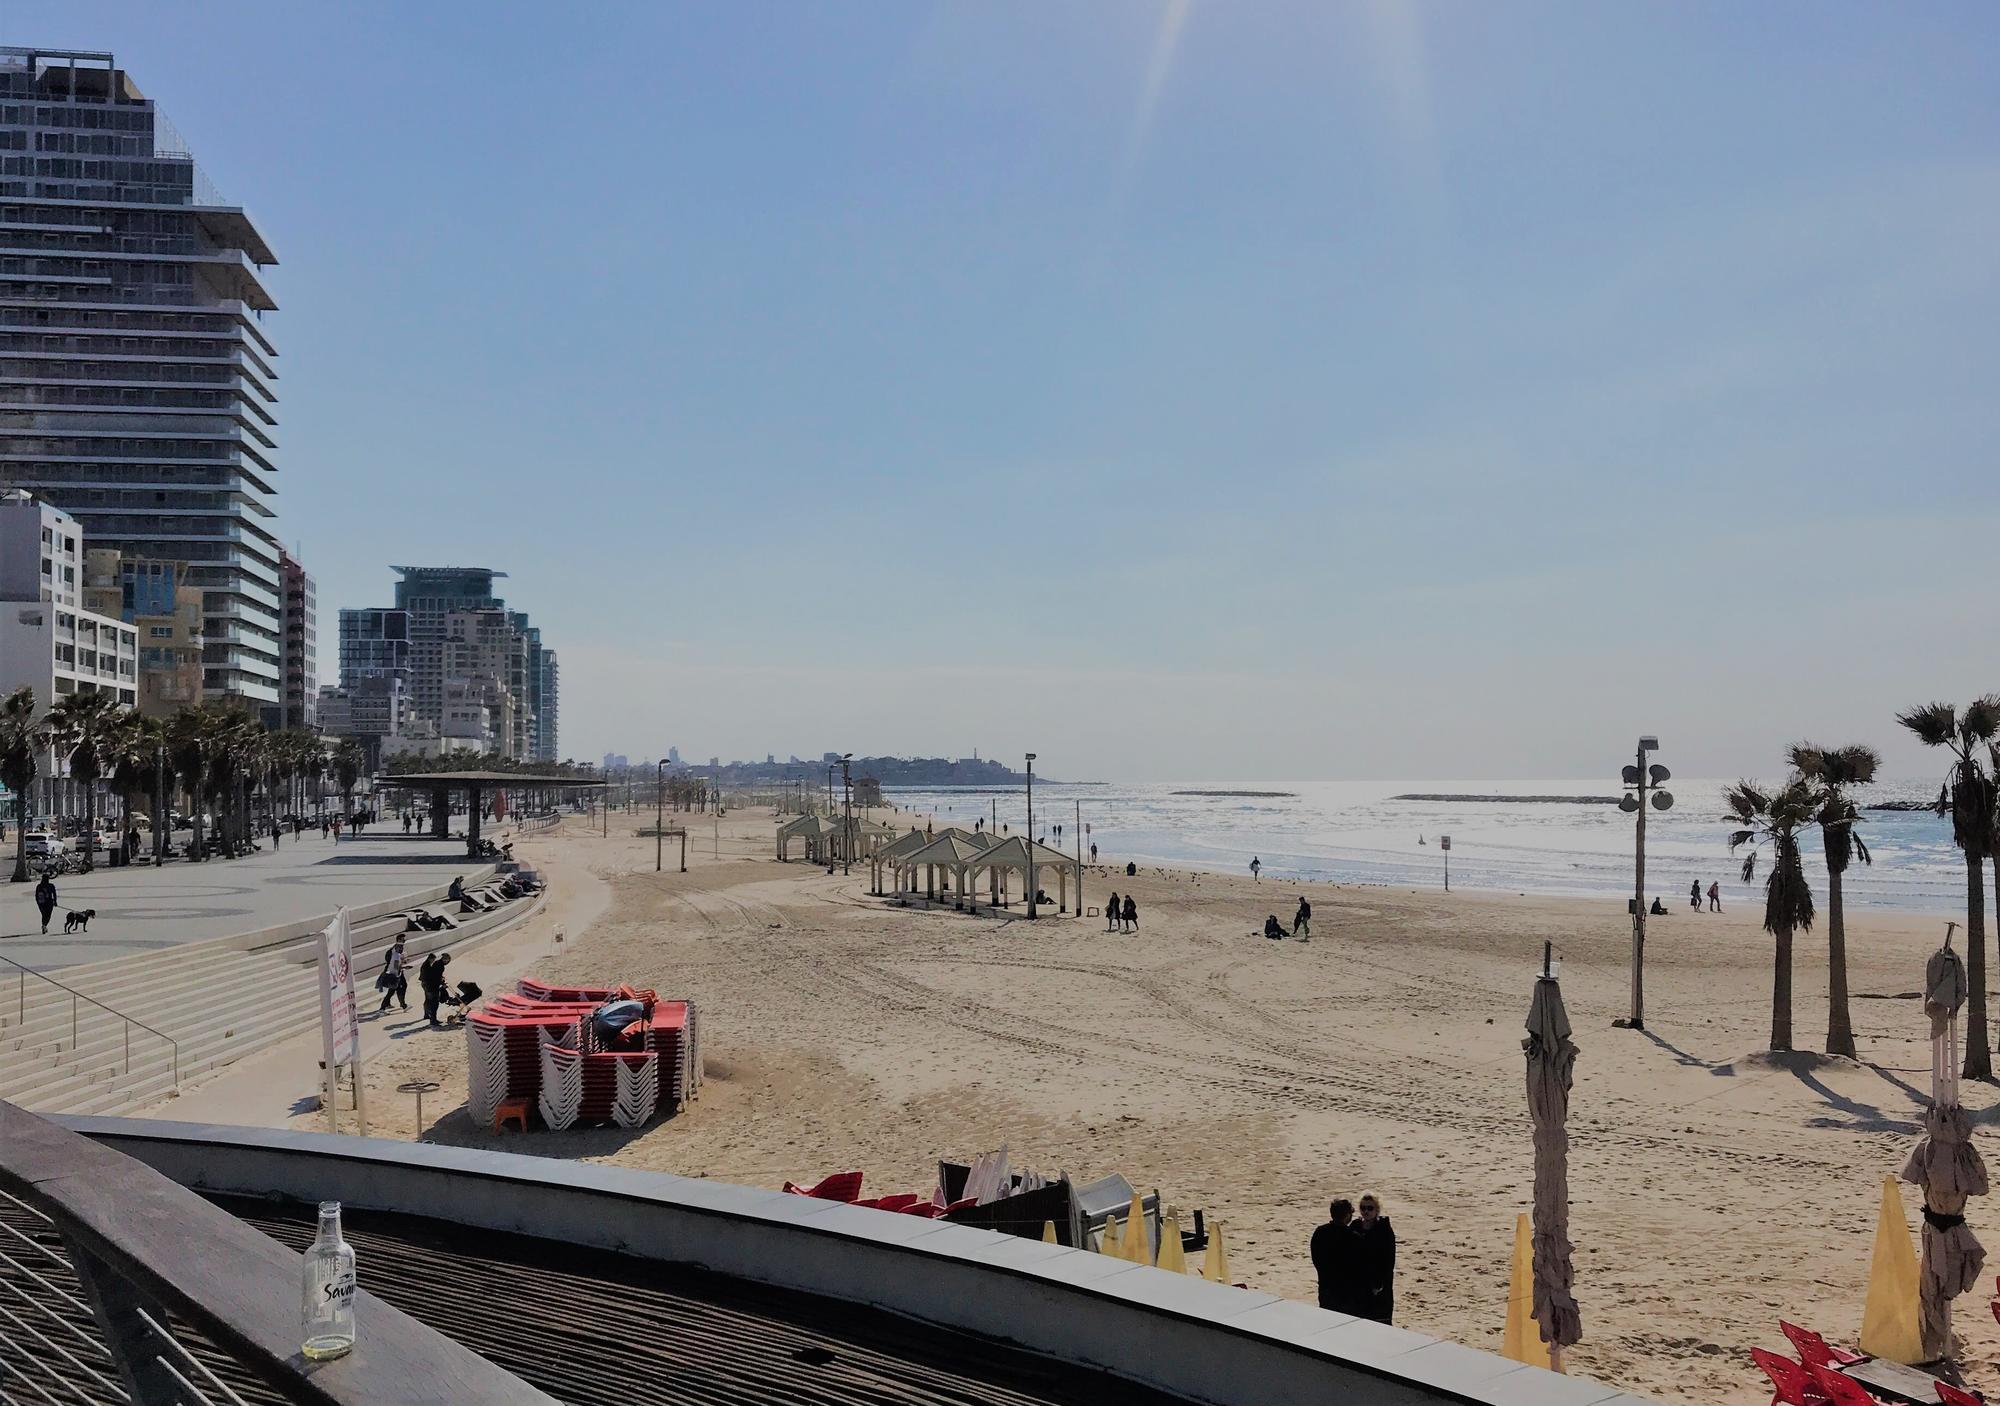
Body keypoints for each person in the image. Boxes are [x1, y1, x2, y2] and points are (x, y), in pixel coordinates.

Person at [1352, 1193, 1396, 1324]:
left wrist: (1379, 1284)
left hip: (1378, 1286)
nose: (1366, 1211)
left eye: (1370, 1208)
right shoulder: (1355, 1226)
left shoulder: (1384, 1230)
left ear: (1377, 1210)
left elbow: (1389, 1260)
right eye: (1363, 1208)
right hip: (1358, 1284)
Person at [1311, 1199, 1361, 1315]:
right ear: (1348, 1215)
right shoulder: (1353, 1237)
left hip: (1326, 1288)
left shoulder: (1320, 1232)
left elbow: (1316, 1259)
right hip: (1347, 1293)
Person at [419, 951, 453, 1027]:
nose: (447, 961)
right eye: (447, 960)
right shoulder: (440, 965)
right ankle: (433, 1020)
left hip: (427, 985)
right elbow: (436, 977)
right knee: (434, 1003)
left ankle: (427, 1015)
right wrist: (442, 983)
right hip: (432, 986)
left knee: (428, 1000)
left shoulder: (436, 963)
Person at [377, 936, 409, 1013]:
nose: (404, 941)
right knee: (393, 989)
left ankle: (402, 1004)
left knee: (399, 987)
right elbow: (395, 964)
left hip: (396, 973)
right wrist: (403, 967)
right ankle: (383, 1007)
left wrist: (403, 962)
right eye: (403, 939)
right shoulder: (396, 952)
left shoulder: (398, 949)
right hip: (394, 974)